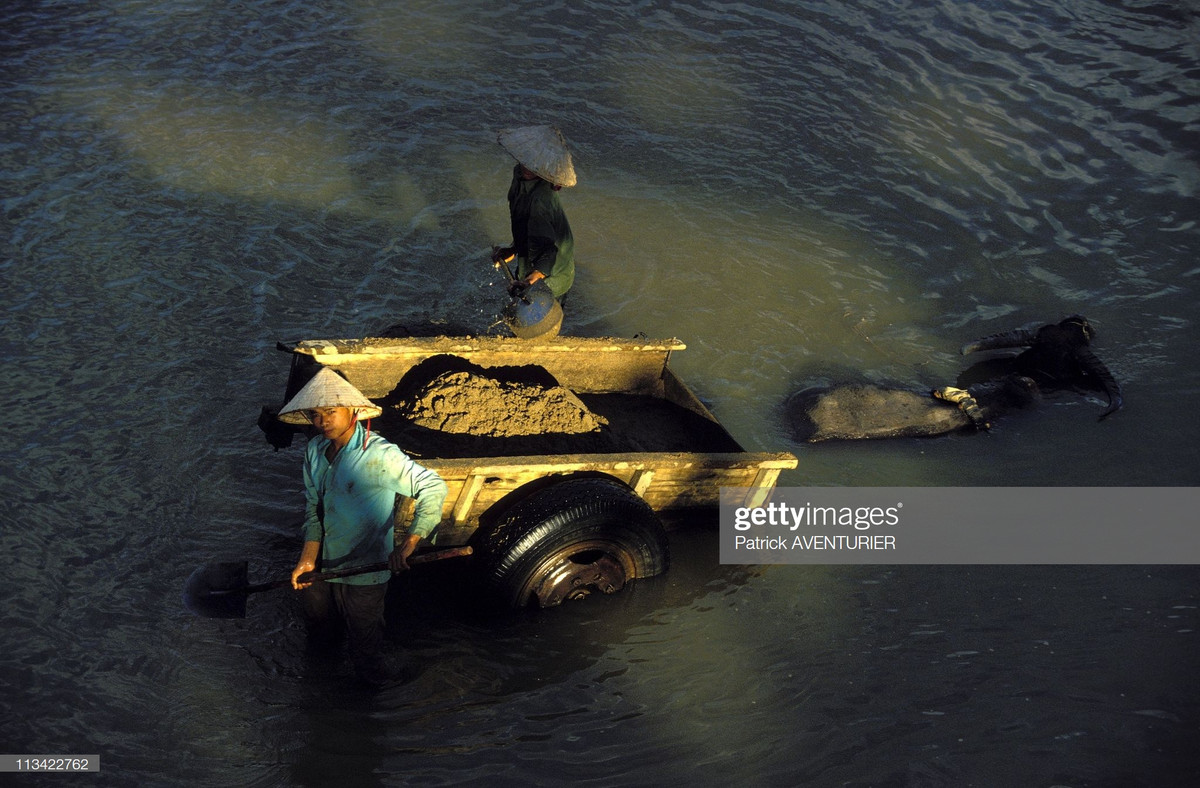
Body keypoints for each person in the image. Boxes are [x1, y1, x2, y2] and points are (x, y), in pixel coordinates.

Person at [276, 367, 448, 685]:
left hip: (365, 568)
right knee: (320, 635)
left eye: (330, 411)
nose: (322, 420)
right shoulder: (314, 451)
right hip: (322, 566)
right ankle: (321, 691)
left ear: (352, 410)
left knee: (365, 647)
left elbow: (432, 487)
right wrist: (307, 557)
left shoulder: (379, 455)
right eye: (315, 414)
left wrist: (408, 545)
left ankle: (369, 706)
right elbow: (314, 509)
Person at [492, 125, 577, 300]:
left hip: (552, 274)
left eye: (536, 165)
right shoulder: (519, 175)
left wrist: (529, 282)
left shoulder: (540, 201)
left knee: (541, 318)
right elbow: (522, 220)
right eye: (528, 160)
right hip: (532, 256)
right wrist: (514, 249)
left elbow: (549, 252)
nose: (528, 167)